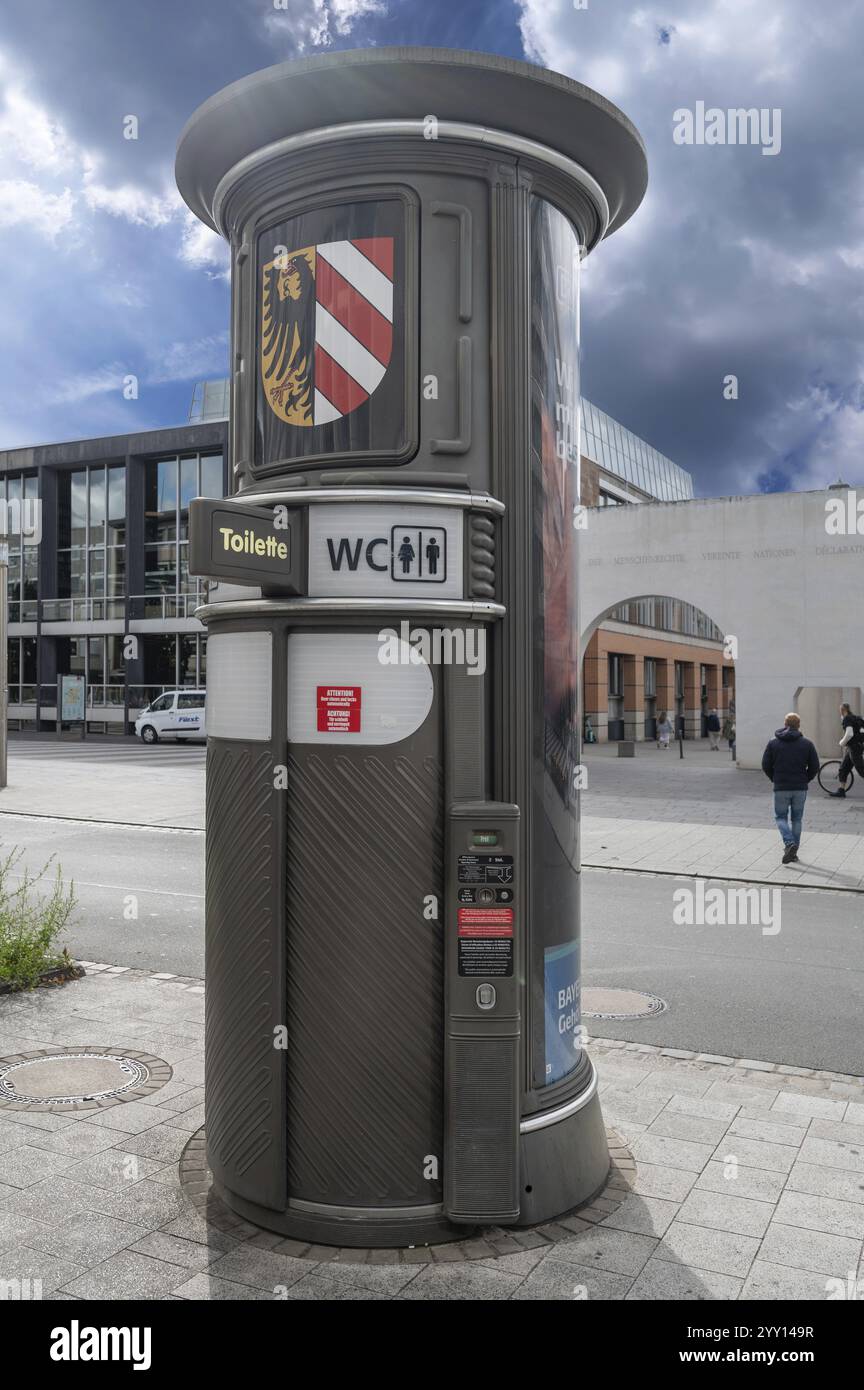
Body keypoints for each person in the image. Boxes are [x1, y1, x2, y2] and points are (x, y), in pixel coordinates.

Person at [761, 712, 820, 863]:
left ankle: (789, 843)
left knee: (780, 817)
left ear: (785, 724)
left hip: (781, 786)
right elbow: (815, 766)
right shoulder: (807, 744)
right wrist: (806, 779)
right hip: (800, 787)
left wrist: (774, 778)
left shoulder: (773, 743)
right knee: (797, 819)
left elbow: (765, 764)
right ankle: (793, 852)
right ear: (798, 725)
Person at [831, 702, 864, 797]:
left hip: (854, 748)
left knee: (861, 770)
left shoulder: (847, 719)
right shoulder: (856, 717)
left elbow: (849, 733)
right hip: (853, 747)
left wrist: (842, 742)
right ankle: (841, 790)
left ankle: (841, 790)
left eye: (840, 710)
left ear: (843, 710)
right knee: (843, 768)